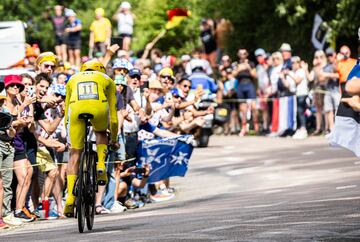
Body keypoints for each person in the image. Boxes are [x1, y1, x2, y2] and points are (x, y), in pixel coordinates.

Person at [63, 59, 118, 217]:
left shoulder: (72, 78)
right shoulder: (107, 79)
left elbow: (67, 111)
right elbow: (114, 118)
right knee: (100, 132)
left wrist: (69, 136)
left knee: (75, 154)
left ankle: (70, 199)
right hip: (98, 108)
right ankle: (100, 164)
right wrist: (113, 139)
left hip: (76, 111)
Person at [235, 48, 258, 136]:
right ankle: (244, 128)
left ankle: (256, 127)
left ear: (246, 54)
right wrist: (239, 69)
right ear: (238, 55)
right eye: (241, 53)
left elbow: (255, 76)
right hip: (240, 86)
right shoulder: (236, 64)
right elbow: (233, 75)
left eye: (244, 53)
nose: (242, 55)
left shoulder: (251, 63)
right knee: (243, 109)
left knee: (253, 107)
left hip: (249, 85)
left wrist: (247, 67)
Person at [255, 48, 271, 133]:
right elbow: (259, 79)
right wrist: (258, 88)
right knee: (263, 109)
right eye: (257, 56)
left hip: (268, 89)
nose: (259, 58)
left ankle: (268, 126)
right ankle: (265, 126)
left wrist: (265, 64)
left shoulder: (267, 65)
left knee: (267, 109)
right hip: (261, 90)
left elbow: (270, 77)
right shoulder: (258, 67)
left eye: (260, 56)